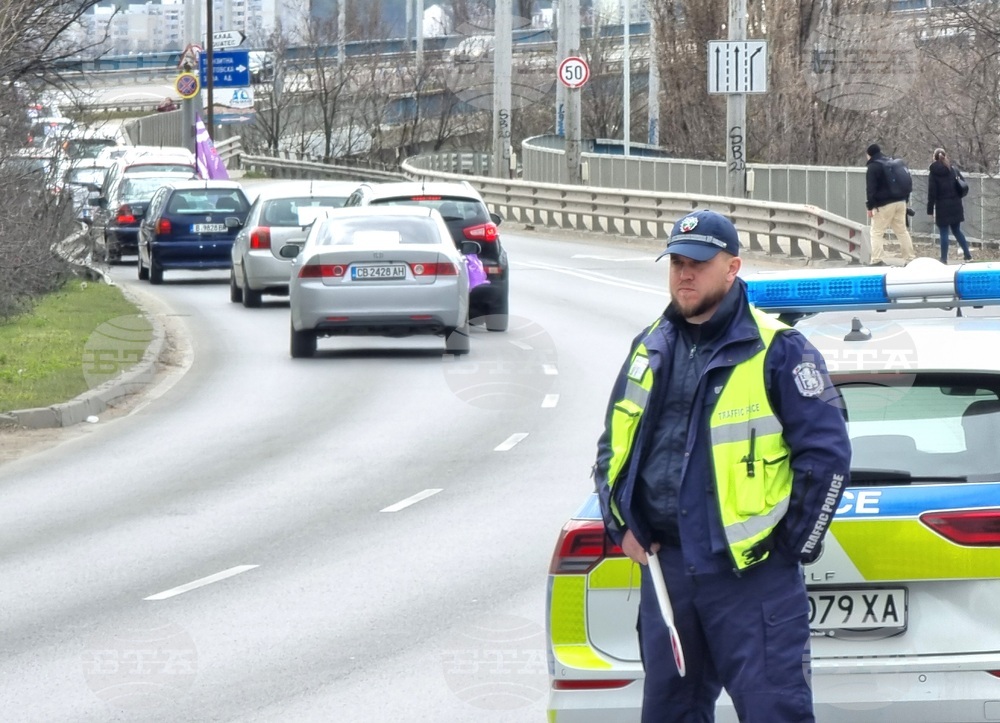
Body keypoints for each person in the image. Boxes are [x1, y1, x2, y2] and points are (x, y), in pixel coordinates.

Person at [593, 209, 851, 723]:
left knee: (774, 713)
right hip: (668, 577)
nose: (684, 274)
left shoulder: (779, 350)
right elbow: (611, 449)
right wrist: (619, 526)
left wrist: (788, 549)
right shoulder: (650, 347)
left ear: (732, 268)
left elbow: (827, 458)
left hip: (750, 582)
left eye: (699, 263)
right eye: (677, 263)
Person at [865, 143, 916, 266]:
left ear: (869, 154)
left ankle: (877, 260)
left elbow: (870, 189)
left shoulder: (873, 167)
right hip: (901, 202)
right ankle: (910, 259)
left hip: (884, 205)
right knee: (902, 231)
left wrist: (870, 207)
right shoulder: (891, 163)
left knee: (876, 232)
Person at [927, 148, 972, 264]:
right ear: (945, 156)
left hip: (942, 206)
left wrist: (930, 210)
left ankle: (943, 259)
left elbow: (932, 193)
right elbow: (962, 184)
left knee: (943, 232)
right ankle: (967, 254)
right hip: (956, 204)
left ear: (934, 157)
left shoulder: (933, 173)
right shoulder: (953, 170)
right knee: (957, 230)